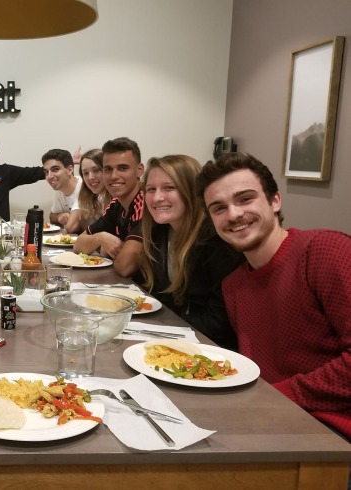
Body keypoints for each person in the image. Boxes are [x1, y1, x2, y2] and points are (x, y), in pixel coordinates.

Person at [197, 152, 351, 444]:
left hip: (334, 436)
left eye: (245, 199)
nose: (233, 215)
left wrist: (280, 396)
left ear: (275, 201)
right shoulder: (234, 286)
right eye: (219, 208)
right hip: (269, 422)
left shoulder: (325, 251)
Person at [137, 155, 244, 351]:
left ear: (192, 191)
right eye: (151, 189)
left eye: (169, 188)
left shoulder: (216, 241)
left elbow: (219, 324)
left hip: (209, 350)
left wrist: (160, 332)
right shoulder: (159, 231)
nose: (157, 197)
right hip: (171, 336)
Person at [74, 137, 144, 277]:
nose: (114, 176)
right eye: (108, 169)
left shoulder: (145, 203)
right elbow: (78, 245)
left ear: (139, 170)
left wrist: (113, 253)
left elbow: (125, 267)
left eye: (123, 168)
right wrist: (100, 238)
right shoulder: (116, 204)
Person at [65, 149, 110, 234]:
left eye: (96, 170)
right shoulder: (86, 195)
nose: (90, 177)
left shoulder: (118, 199)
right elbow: (70, 228)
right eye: (85, 173)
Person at [42, 148, 81, 230]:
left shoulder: (83, 187)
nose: (49, 177)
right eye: (46, 172)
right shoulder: (61, 190)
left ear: (70, 170)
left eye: (55, 169)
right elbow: (52, 216)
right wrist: (60, 216)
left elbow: (71, 227)